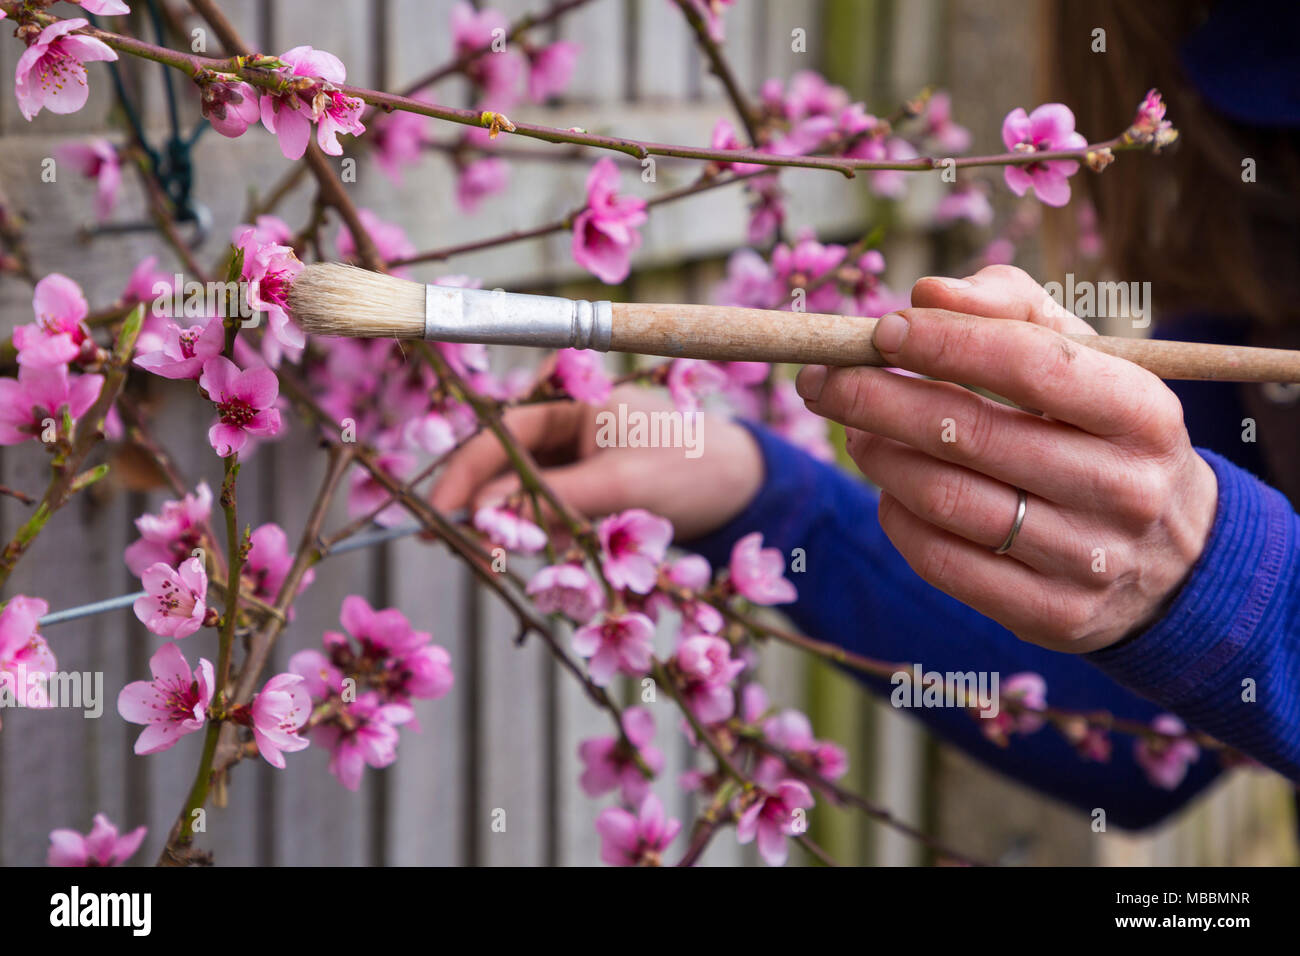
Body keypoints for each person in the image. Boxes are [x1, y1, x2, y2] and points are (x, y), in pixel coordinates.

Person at [431, 0, 1300, 830]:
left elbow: (1230, 636)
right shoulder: (1250, 249)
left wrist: (1233, 586)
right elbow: (1155, 737)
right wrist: (763, 497)